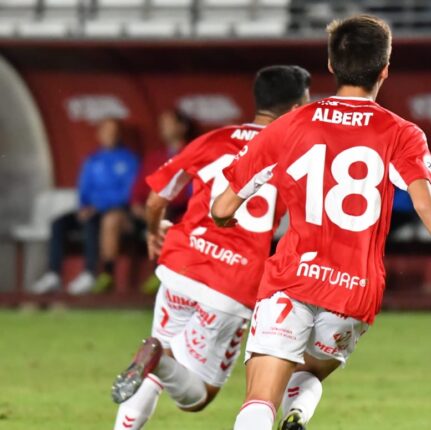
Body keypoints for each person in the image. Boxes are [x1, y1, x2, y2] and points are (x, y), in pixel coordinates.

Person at [211, 15, 431, 430]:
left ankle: (285, 412)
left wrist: (226, 218)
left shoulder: (290, 124)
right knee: (310, 372)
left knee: (261, 398)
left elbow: (224, 205)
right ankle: (299, 413)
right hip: (354, 290)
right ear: (385, 69)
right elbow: (429, 206)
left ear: (332, 65)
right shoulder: (401, 133)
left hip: (292, 278)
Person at [109, 65, 317, 430]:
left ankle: (153, 363)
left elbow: (158, 197)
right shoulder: (296, 152)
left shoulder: (216, 138)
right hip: (231, 283)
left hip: (180, 264)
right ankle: (157, 358)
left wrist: (153, 232)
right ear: (296, 106)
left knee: (159, 364)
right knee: (199, 395)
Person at [31, 118, 139, 295]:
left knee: (92, 222)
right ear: (99, 134)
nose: (110, 135)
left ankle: (89, 273)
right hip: (90, 209)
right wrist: (83, 206)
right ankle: (53, 274)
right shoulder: (92, 160)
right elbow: (84, 188)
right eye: (106, 130)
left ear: (119, 134)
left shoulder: (128, 160)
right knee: (58, 223)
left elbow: (127, 192)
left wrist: (98, 206)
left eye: (113, 131)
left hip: (114, 211)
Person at [131, 109, 196, 294]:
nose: (163, 128)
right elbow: (138, 191)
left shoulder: (194, 151)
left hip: (185, 209)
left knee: (164, 215)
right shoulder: (155, 157)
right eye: (162, 124)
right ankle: (159, 272)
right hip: (155, 209)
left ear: (182, 127)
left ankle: (167, 274)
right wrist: (137, 206)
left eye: (168, 123)